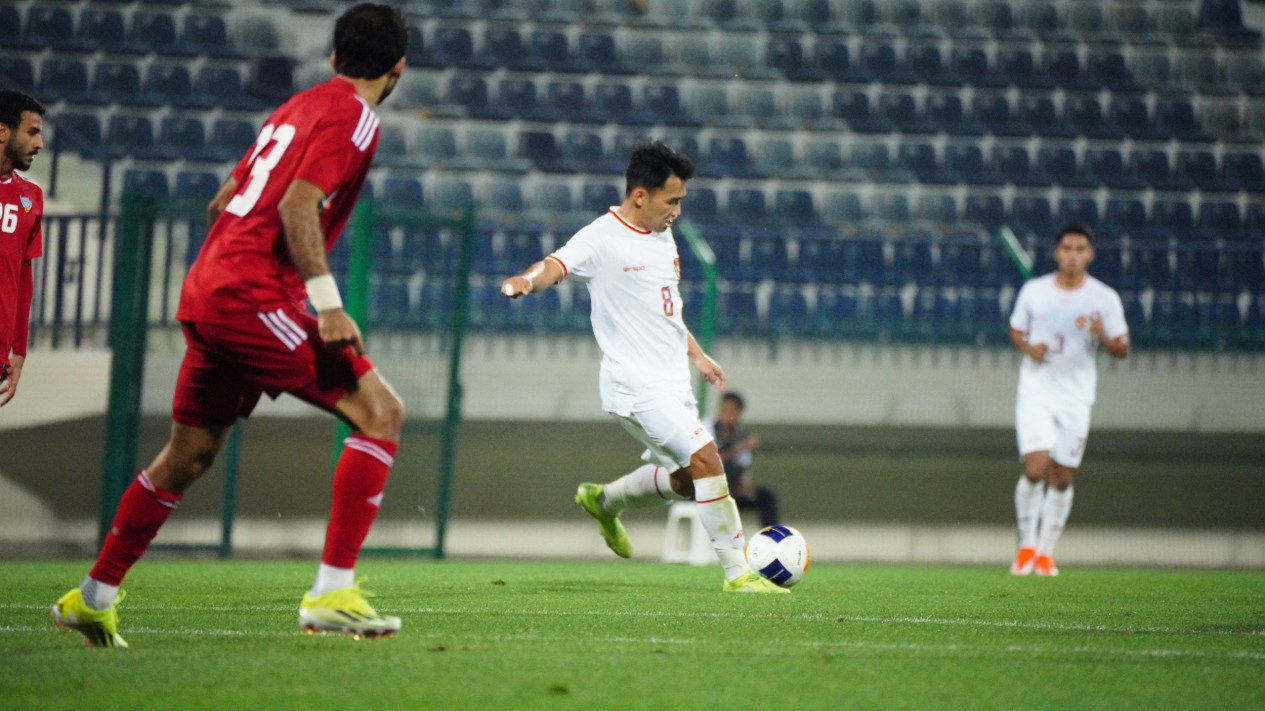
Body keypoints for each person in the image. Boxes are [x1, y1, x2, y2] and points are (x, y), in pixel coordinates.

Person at [51, 3, 410, 647]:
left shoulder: (295, 108)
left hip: (210, 286)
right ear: (398, 67)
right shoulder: (354, 118)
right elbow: (301, 204)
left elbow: (226, 195)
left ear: (333, 59)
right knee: (380, 411)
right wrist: (326, 302)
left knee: (187, 455)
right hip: (247, 292)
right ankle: (332, 591)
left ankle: (94, 596)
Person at [501, 141, 786, 594]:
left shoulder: (662, 233)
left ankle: (605, 500)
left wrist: (696, 354)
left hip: (673, 382)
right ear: (640, 196)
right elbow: (555, 266)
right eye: (671, 200)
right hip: (634, 385)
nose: (677, 210)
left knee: (689, 481)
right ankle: (738, 572)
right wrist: (526, 282)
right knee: (708, 458)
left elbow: (663, 311)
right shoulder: (601, 236)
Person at [1007, 224, 1129, 577]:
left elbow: (1122, 347)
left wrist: (1102, 336)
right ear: (1056, 252)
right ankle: (1026, 545)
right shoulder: (1034, 291)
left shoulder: (1103, 299)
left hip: (1076, 397)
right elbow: (1016, 328)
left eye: (1080, 249)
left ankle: (1045, 553)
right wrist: (1029, 347)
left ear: (1089, 254)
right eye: (1067, 248)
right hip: (1037, 392)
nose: (1073, 254)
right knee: (1034, 468)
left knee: (1061, 477)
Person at [0, 90, 45, 409]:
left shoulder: (30, 198)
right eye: (32, 132)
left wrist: (18, 350)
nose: (39, 143)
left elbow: (23, 278)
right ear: (2, 132)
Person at [706, 391, 779, 528]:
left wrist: (745, 485)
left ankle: (771, 540)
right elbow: (710, 462)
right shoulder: (706, 428)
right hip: (707, 488)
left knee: (766, 496)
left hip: (732, 490)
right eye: (725, 411)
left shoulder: (740, 434)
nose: (728, 416)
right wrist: (739, 449)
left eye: (733, 413)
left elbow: (742, 466)